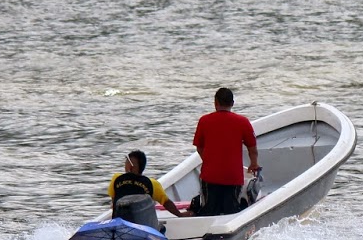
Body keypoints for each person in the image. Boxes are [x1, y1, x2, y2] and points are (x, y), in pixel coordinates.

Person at [191, 87, 259, 216]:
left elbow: (199, 147)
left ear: (215, 103)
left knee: (209, 210)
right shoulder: (243, 122)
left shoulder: (204, 121)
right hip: (233, 176)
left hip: (210, 175)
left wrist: (209, 160)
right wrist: (253, 164)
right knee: (231, 211)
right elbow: (252, 148)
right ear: (232, 103)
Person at [107, 150, 188, 218]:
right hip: (143, 226)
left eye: (126, 162)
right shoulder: (152, 184)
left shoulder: (116, 179)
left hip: (120, 223)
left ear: (130, 167)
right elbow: (167, 203)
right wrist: (180, 214)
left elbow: (114, 201)